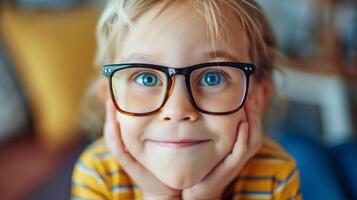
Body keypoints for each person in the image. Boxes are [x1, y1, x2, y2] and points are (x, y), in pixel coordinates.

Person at [71, 0, 301, 199]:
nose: (178, 109)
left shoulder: (275, 175)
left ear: (258, 97)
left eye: (213, 77)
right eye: (147, 78)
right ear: (110, 97)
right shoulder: (98, 173)